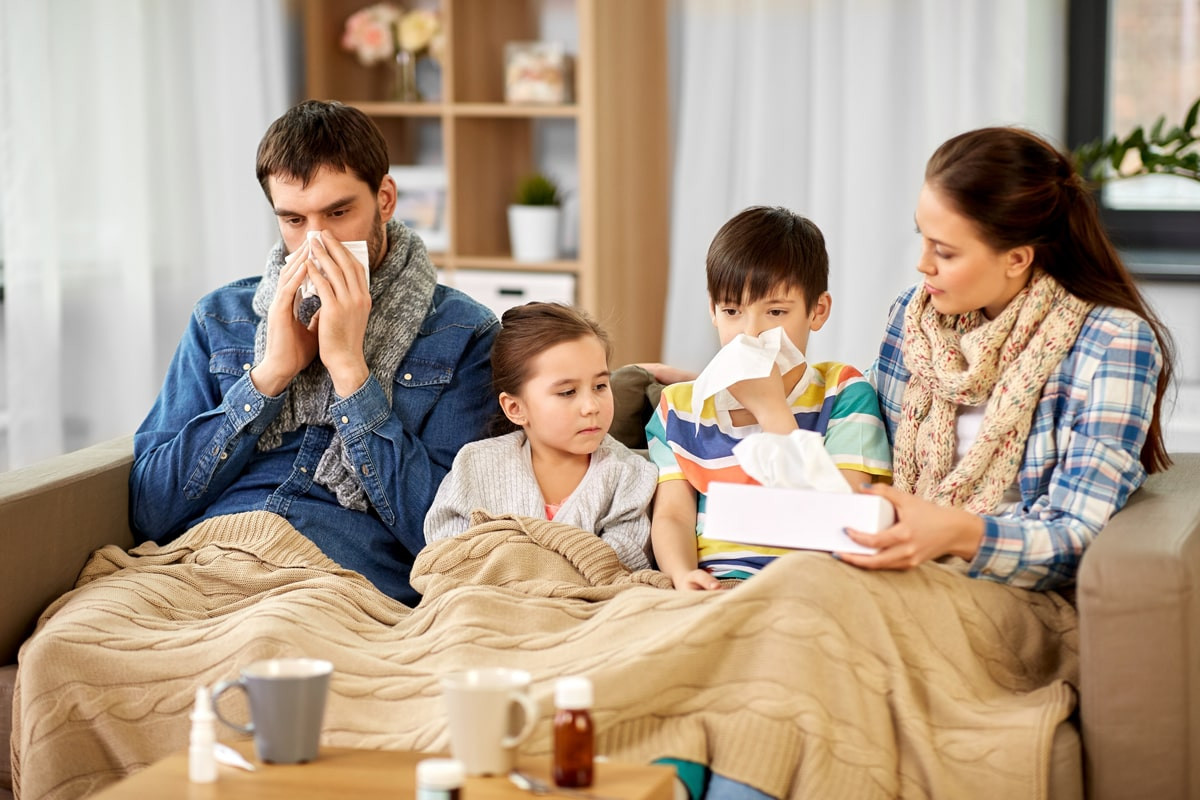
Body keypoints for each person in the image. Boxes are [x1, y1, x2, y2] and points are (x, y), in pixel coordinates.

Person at [129, 100, 498, 605]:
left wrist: (350, 372)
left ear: (385, 200)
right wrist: (268, 377)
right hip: (203, 562)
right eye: (294, 220)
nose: (316, 239)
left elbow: (445, 533)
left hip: (339, 579)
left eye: (338, 212)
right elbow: (151, 509)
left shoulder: (463, 333)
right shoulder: (221, 317)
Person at [844, 126, 1175, 589]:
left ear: (1017, 258)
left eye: (944, 251)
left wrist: (957, 533)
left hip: (1010, 594)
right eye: (923, 239)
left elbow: (1078, 537)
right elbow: (858, 432)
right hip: (895, 563)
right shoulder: (914, 316)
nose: (923, 264)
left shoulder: (1112, 345)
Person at [646, 206, 894, 590]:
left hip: (810, 582)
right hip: (716, 585)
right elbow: (673, 516)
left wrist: (772, 410)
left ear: (817, 311)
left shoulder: (844, 392)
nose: (751, 333)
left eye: (776, 311)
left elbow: (843, 521)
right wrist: (681, 574)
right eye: (732, 311)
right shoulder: (678, 408)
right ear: (712, 310)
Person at [424, 302, 656, 571]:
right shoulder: (476, 464)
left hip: (587, 606)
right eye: (568, 392)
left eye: (600, 386)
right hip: (487, 601)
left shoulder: (631, 475)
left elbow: (624, 562)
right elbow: (445, 553)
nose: (591, 406)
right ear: (516, 408)